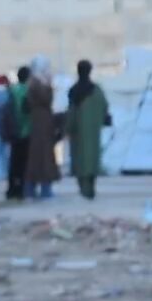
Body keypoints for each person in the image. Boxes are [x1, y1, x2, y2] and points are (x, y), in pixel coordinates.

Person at [65, 60, 109, 200]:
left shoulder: (74, 91)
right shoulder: (97, 90)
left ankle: (83, 188)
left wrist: (67, 128)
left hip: (78, 132)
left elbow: (71, 112)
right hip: (93, 132)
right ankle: (90, 187)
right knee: (92, 160)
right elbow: (104, 109)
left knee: (80, 161)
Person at [23, 57, 60, 200]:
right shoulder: (37, 84)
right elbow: (46, 99)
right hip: (40, 124)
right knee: (41, 158)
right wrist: (49, 85)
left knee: (40, 158)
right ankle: (40, 189)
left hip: (41, 124)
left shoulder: (34, 83)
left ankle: (36, 189)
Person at [6, 65, 32, 200]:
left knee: (13, 162)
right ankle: (21, 189)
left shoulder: (11, 90)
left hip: (13, 130)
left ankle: (11, 189)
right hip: (26, 130)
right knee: (23, 163)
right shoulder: (28, 91)